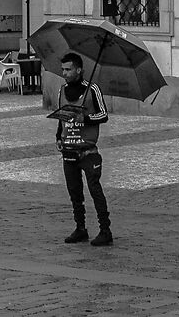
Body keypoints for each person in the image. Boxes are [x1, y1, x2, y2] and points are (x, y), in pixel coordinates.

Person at [52, 53, 111, 246]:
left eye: (68, 69)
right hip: (69, 149)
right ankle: (80, 228)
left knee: (95, 189)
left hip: (88, 150)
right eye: (63, 70)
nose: (65, 73)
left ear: (79, 70)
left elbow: (103, 115)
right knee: (74, 192)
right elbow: (62, 117)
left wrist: (85, 118)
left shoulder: (92, 89)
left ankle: (105, 230)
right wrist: (58, 137)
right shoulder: (62, 91)